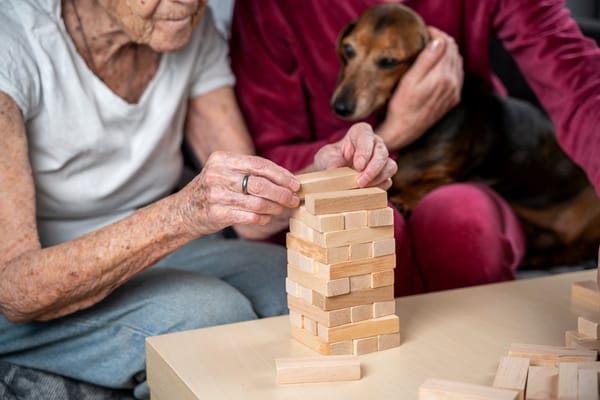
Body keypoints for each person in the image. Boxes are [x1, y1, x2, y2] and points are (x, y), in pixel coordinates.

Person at [0, 0, 396, 398]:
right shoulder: (13, 42)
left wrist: (321, 176)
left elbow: (245, 209)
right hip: (37, 271)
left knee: (291, 284)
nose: (190, 2)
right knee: (208, 318)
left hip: (151, 243)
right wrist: (182, 215)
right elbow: (16, 291)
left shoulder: (185, 23)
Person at [229, 0, 600, 296]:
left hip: (468, 178)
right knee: (375, 227)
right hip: (324, 192)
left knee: (462, 219)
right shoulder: (271, 7)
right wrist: (397, 130)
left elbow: (578, 84)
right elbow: (267, 161)